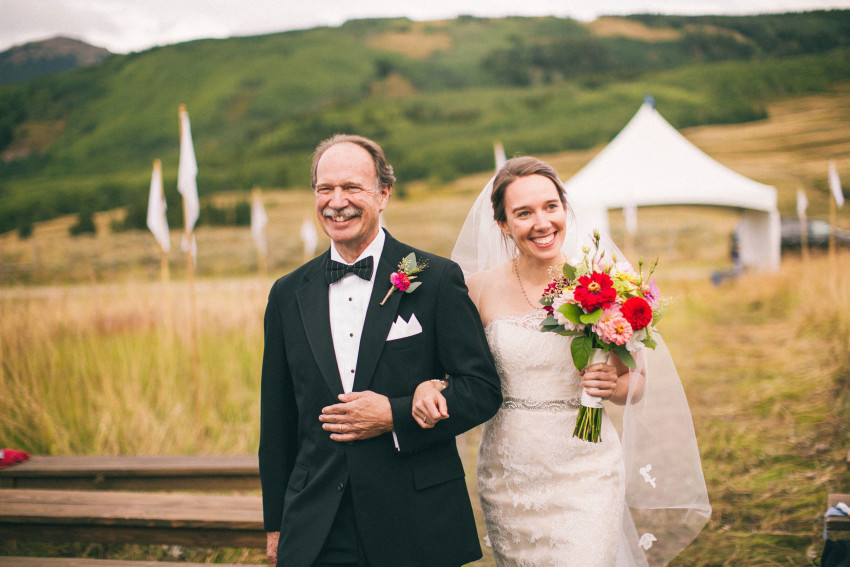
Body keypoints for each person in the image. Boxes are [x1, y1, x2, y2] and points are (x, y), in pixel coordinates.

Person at [414, 157, 711, 566]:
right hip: (508, 474)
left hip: (586, 467)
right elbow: (452, 372)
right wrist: (429, 385)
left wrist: (614, 385)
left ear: (564, 208)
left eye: (550, 207)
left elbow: (636, 382)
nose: (542, 222)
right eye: (524, 212)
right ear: (502, 224)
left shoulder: (603, 284)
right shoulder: (476, 290)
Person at [259, 134, 502, 567]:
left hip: (415, 519)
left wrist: (396, 413)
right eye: (325, 189)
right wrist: (276, 524)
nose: (337, 202)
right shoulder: (287, 293)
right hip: (317, 524)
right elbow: (277, 420)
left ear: (384, 193)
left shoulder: (436, 278)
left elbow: (481, 389)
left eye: (352, 187)